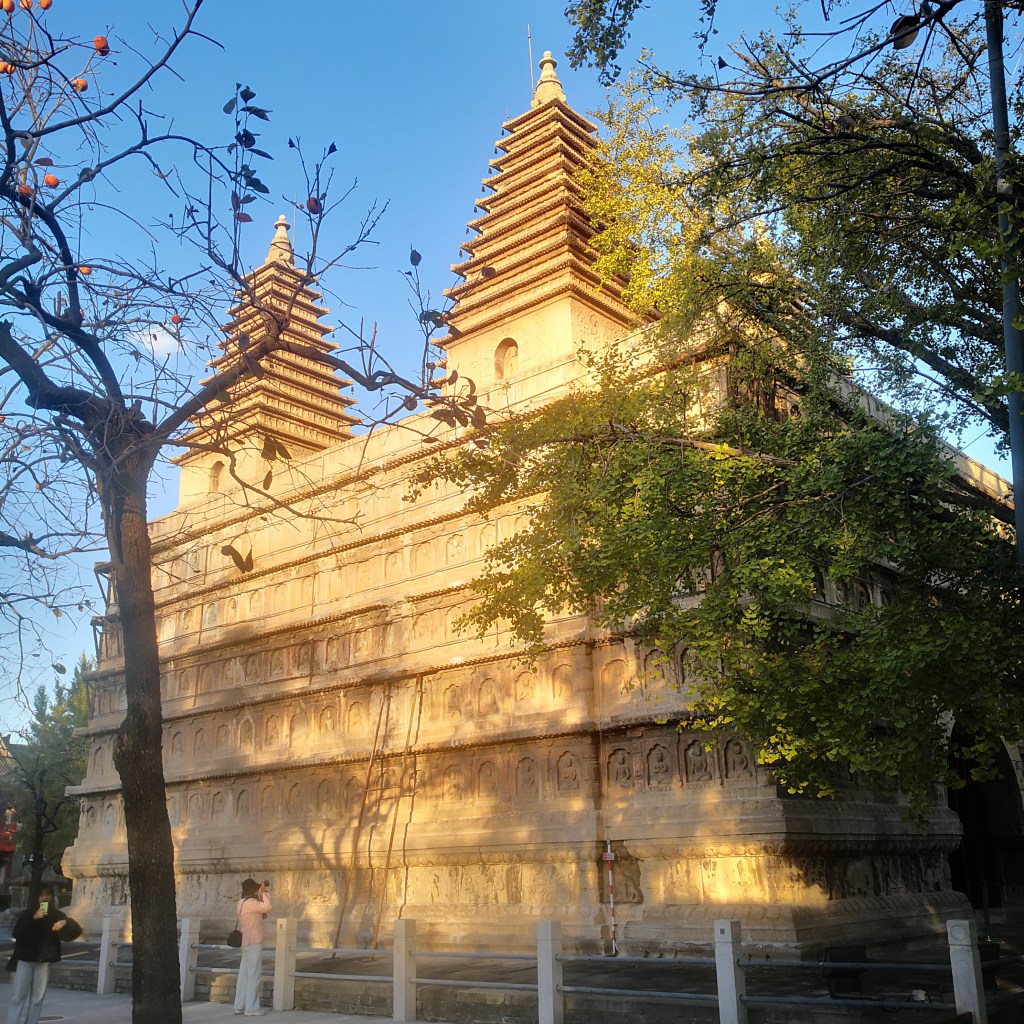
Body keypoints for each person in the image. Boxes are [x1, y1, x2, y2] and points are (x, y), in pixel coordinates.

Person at [6, 885, 81, 1024]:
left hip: (44, 960)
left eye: (48, 895)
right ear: (37, 897)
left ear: (52, 897)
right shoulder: (28, 913)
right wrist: (33, 919)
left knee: (37, 998)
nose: (45, 897)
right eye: (42, 895)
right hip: (25, 959)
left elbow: (74, 933)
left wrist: (66, 921)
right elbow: (17, 933)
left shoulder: (56, 915)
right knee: (18, 996)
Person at [233, 877, 272, 1017]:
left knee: (243, 975)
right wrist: (264, 892)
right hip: (254, 942)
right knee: (254, 975)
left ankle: (239, 1006)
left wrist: (259, 893)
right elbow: (268, 907)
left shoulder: (241, 902)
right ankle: (251, 1008)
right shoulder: (251, 903)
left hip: (245, 942)